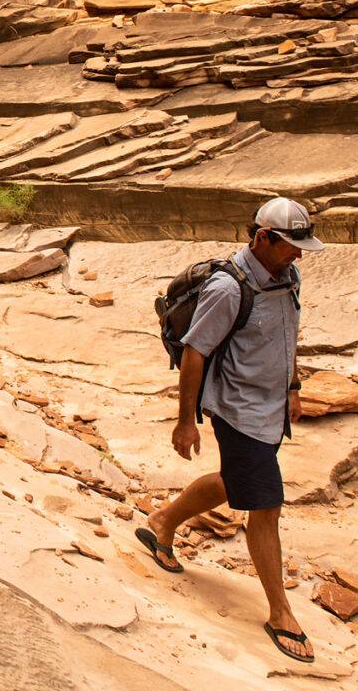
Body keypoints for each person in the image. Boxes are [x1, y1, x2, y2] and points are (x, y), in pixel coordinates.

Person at [136, 197, 324, 665]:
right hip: (238, 409)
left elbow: (288, 335)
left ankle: (162, 523)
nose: (297, 255)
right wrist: (185, 421)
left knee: (235, 482)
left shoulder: (286, 276)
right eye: (290, 246)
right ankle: (280, 613)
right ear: (262, 238)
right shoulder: (227, 288)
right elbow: (195, 352)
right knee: (265, 505)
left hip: (272, 407)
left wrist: (293, 387)